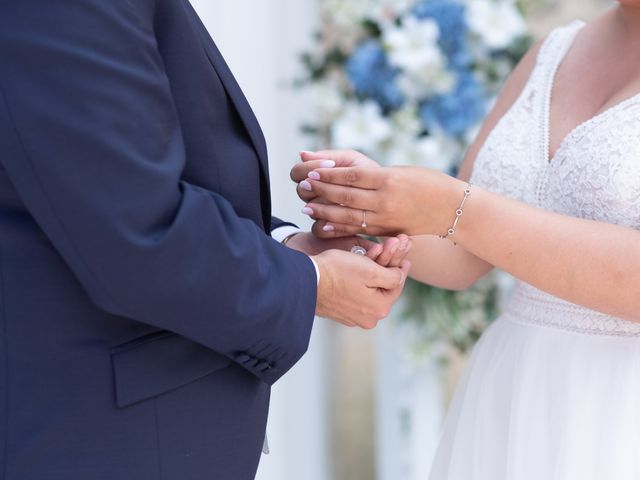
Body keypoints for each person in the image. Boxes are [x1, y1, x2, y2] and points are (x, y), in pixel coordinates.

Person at [0, 1, 412, 479]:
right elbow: (137, 229)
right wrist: (313, 282)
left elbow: (96, 187)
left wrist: (282, 246)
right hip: (99, 437)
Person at [293, 1, 640, 478]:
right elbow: (463, 253)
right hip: (515, 390)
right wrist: (373, 205)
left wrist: (450, 206)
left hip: (620, 406)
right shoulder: (554, 51)